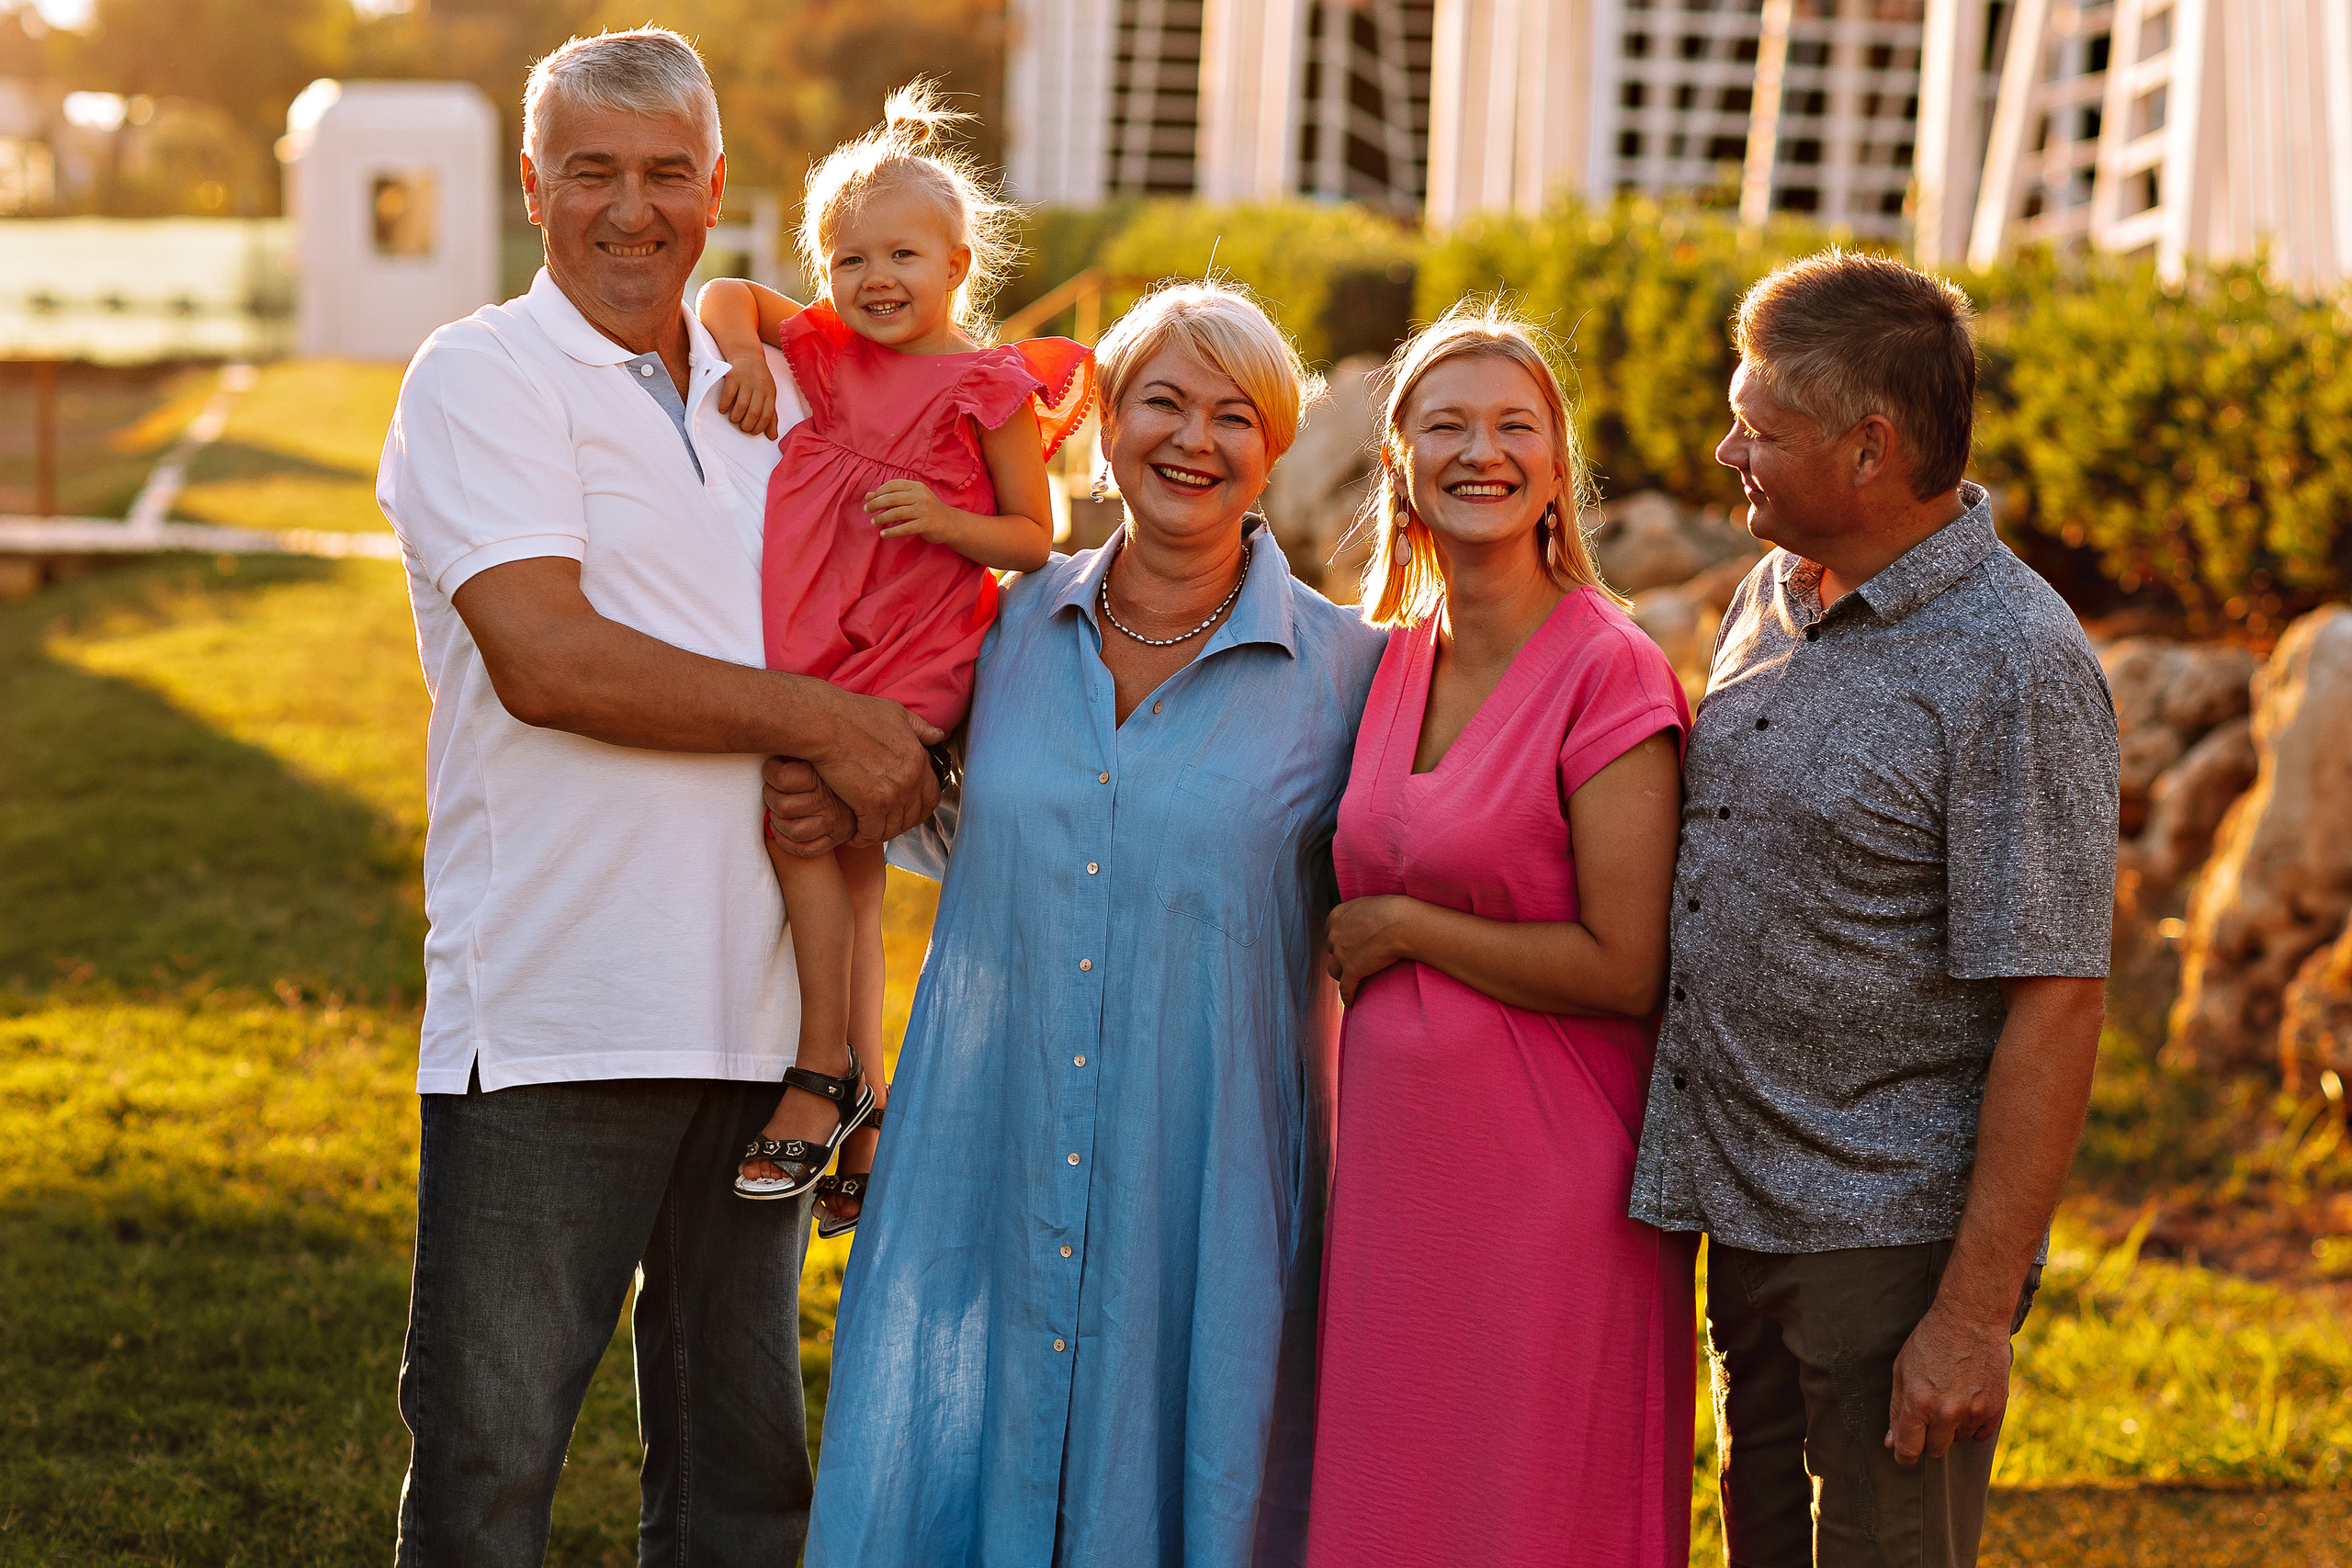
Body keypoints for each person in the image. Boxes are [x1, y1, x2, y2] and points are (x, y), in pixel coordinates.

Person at [373, 28, 938, 1563]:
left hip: (765, 1031)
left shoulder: (783, 408)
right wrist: (828, 720)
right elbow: (550, 659)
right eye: (594, 173)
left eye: (666, 173)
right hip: (555, 1014)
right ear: (534, 185)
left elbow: (898, 660)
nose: (633, 208)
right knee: (492, 1471)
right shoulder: (483, 374)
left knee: (745, 1485)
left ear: (716, 188)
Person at [766, 281, 1385, 1566]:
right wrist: (815, 763)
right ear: (1103, 420)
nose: (1193, 440)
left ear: (1273, 449)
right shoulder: (998, 633)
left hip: (1203, 1182)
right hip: (989, 1148)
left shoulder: (1351, 675)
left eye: (1235, 416)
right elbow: (895, 796)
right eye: (1162, 400)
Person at [1629, 252, 2119, 1567]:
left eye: (1762, 429)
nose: (1727, 446)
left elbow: (2058, 999)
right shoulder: (1773, 592)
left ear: (1870, 449)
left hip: (1891, 1254)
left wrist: (1969, 1318)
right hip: (1745, 1227)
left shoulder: (2017, 662)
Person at [1307, 306, 1697, 1567]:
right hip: (1396, 1177)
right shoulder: (1393, 661)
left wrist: (1408, 926)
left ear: (1555, 467)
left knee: (1523, 1512)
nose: (1483, 451)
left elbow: (1623, 961)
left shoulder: (1610, 669)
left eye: (1515, 426)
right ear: (1399, 463)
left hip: (1548, 1181)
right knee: (1396, 1498)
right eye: (1449, 425)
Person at [692, 84, 1094, 1230]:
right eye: (845, 257)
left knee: (805, 818)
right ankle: (866, 1113)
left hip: (914, 647)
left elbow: (1036, 534)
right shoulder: (823, 349)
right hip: (820, 637)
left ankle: (824, 1073)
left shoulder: (986, 388)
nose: (873, 280)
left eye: (901, 256)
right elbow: (724, 291)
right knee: (847, 855)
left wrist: (945, 521)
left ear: (958, 264)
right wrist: (747, 357)